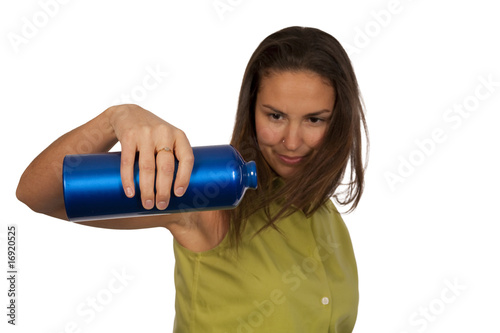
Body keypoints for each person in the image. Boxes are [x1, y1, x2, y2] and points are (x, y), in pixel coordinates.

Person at [17, 26, 368, 332]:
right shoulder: (209, 197)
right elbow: (40, 194)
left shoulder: (326, 217)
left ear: (339, 119)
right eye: (275, 115)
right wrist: (116, 117)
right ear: (251, 110)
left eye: (314, 120)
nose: (291, 141)